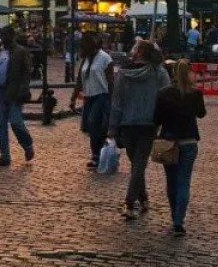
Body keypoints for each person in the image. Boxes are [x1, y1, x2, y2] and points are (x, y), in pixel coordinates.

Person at [110, 40, 170, 220]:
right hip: (148, 123)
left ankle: (130, 201)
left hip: (129, 123)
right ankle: (141, 198)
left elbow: (117, 102)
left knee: (137, 163)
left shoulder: (123, 73)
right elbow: (166, 97)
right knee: (138, 163)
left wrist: (113, 126)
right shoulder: (158, 73)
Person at [154, 59, 207, 236]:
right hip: (189, 141)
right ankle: (179, 220)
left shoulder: (164, 93)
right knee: (184, 181)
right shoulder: (194, 94)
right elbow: (201, 113)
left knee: (172, 181)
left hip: (169, 141)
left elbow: (157, 118)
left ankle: (174, 215)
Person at [0, 28, 35, 168]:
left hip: (15, 92)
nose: (4, 37)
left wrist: (23, 89)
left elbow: (27, 73)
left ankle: (27, 145)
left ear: (12, 36)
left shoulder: (21, 51)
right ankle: (5, 156)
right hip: (0, 93)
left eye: (6, 34)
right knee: (0, 124)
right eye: (2, 35)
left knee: (16, 122)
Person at [72, 30, 115, 170]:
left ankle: (97, 155)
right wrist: (73, 97)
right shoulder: (86, 59)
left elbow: (110, 81)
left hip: (101, 95)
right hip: (88, 96)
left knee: (94, 122)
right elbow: (80, 79)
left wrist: (112, 99)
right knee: (89, 126)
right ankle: (97, 152)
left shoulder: (105, 59)